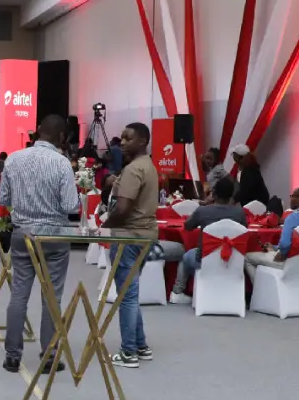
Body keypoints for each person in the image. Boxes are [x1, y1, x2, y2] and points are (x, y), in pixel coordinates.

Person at [0, 115, 79, 374]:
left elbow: (3, 198)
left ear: (38, 131)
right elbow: (71, 206)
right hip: (54, 238)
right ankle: (49, 356)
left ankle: (12, 356)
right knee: (51, 297)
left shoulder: (14, 159)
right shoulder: (62, 163)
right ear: (62, 137)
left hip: (23, 235)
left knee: (18, 294)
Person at [104, 122, 160, 368]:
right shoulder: (148, 165)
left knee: (126, 295)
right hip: (145, 236)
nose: (123, 143)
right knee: (131, 293)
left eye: (128, 138)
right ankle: (140, 345)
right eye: (122, 138)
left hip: (128, 237)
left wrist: (103, 227)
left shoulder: (134, 169)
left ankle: (128, 352)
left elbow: (123, 209)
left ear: (143, 141)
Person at [172, 176, 248, 300]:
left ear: (214, 194)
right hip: (232, 260)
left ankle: (177, 292)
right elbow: (244, 230)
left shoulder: (203, 211)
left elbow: (187, 226)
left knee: (185, 256)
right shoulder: (240, 213)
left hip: (203, 260)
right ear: (231, 195)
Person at [247, 183, 299, 268]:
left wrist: (280, 254)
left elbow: (284, 245)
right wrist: (274, 247)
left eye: (294, 196)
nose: (291, 198)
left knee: (248, 257)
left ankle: (264, 277)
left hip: (289, 264)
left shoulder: (293, 218)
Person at [230, 143, 271, 207]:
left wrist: (233, 200)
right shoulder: (251, 168)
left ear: (239, 158)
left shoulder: (249, 171)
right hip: (256, 203)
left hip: (257, 205)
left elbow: (244, 190)